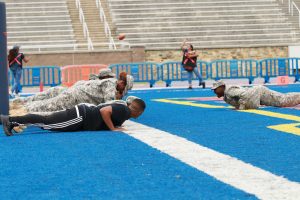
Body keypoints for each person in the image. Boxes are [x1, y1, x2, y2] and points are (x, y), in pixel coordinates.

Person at [0, 98, 146, 136]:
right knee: (47, 123)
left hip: (81, 114)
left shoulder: (123, 110)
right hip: (81, 117)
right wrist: (113, 128)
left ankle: (12, 122)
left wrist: (115, 125)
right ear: (138, 112)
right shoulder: (126, 111)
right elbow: (105, 111)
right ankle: (10, 120)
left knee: (47, 121)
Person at [10, 72, 134, 113]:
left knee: (42, 99)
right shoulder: (111, 84)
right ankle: (18, 111)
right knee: (46, 105)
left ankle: (15, 103)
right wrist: (122, 104)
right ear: (123, 85)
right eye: (124, 89)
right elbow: (108, 104)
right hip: (74, 97)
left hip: (74, 92)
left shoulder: (109, 82)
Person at [212, 80, 300, 110]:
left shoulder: (229, 91)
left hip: (259, 93)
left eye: (216, 89)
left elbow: (244, 94)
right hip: (257, 96)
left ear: (222, 87)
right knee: (281, 100)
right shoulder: (226, 96)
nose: (215, 91)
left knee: (282, 101)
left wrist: (241, 107)